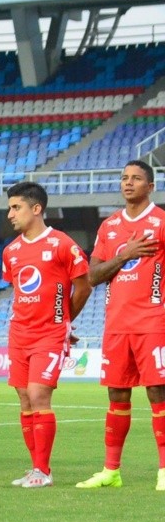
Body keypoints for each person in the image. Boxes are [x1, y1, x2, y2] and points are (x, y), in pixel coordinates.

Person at [76, 160, 165, 492]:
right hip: (116, 324)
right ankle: (111, 470)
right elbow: (92, 276)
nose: (128, 183)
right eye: (124, 177)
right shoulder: (110, 226)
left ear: (150, 186)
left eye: (136, 178)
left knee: (158, 391)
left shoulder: (161, 223)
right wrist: (125, 254)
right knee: (117, 394)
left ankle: (164, 470)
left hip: (153, 322)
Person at [3, 181, 91, 488]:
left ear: (36, 208)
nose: (10, 214)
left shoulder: (62, 244)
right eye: (10, 208)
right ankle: (37, 468)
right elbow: (19, 292)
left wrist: (63, 321)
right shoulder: (11, 252)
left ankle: (42, 470)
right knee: (25, 400)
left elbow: (84, 285)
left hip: (49, 335)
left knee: (39, 395)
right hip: (18, 334)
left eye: (16, 207)